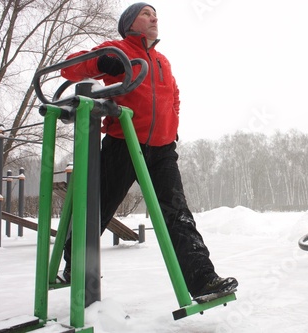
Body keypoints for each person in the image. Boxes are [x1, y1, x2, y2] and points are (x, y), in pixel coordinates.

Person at [60, 2, 237, 299]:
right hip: (123, 142)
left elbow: (174, 97)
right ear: (130, 23)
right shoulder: (117, 49)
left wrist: (172, 128)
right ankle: (75, 264)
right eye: (146, 13)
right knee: (99, 208)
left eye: (156, 14)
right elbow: (69, 66)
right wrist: (103, 62)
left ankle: (203, 279)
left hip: (162, 150)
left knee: (177, 213)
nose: (154, 17)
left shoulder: (162, 61)